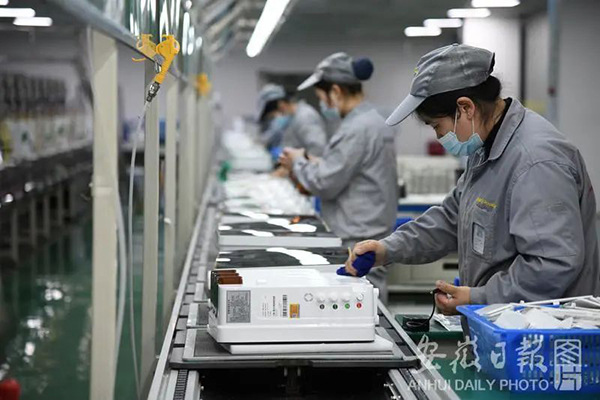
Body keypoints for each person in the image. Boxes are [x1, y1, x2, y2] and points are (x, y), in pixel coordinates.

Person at [344, 43, 599, 315]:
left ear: (465, 108)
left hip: (546, 330)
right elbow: (451, 218)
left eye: (437, 126)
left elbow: (552, 264)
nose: (439, 137)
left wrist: (477, 296)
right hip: (505, 324)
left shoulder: (536, 162)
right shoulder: (486, 147)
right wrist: (387, 249)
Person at [279, 52, 398, 302]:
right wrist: (311, 161)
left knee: (362, 309)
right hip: (367, 231)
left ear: (335, 91)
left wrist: (298, 162)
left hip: (357, 239)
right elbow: (347, 169)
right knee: (367, 306)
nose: (324, 105)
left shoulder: (357, 128)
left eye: (322, 98)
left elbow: (325, 183)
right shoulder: (371, 121)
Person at [256, 84, 327, 158]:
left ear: (281, 105)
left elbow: (317, 149)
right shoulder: (292, 118)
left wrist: (300, 161)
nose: (277, 118)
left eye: (274, 115)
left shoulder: (305, 117)